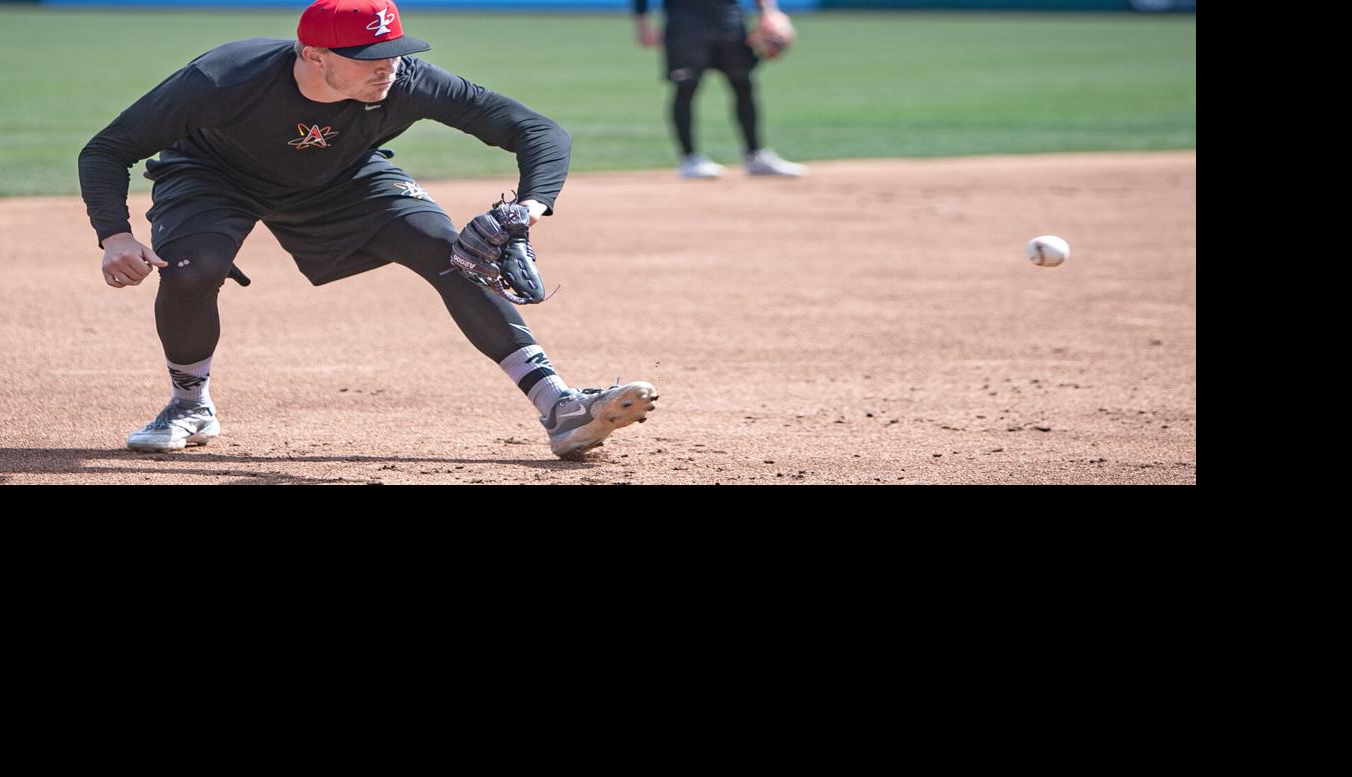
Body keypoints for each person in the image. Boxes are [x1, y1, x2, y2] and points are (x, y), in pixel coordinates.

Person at [79, 0, 657, 459]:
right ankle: (189, 405)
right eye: (368, 54)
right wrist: (116, 235)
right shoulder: (223, 79)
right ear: (313, 55)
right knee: (191, 271)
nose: (388, 64)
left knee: (454, 253)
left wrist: (530, 207)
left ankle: (559, 406)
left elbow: (538, 130)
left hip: (345, 175)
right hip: (214, 174)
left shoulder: (406, 81)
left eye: (395, 49)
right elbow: (107, 150)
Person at [633, 0, 808, 179]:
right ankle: (689, 158)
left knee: (743, 86)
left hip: (728, 21)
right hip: (685, 25)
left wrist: (770, 12)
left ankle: (756, 156)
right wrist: (642, 23)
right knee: (686, 89)